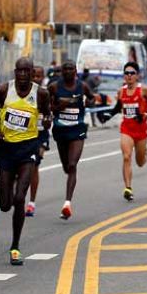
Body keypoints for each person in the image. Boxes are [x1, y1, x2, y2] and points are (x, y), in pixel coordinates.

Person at [0, 57, 51, 265]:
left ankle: (15, 247)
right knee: (5, 205)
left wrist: (48, 121)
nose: (23, 75)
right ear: (15, 72)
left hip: (28, 149)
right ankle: (9, 188)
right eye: (19, 71)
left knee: (19, 199)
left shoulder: (40, 93)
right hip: (6, 148)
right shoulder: (3, 90)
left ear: (33, 73)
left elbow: (48, 115)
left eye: (27, 71)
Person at [97, 62, 147, 201]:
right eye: (127, 73)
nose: (129, 76)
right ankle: (128, 188)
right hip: (127, 129)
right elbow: (118, 108)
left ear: (137, 75)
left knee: (140, 162)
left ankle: (144, 153)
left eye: (132, 73)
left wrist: (145, 115)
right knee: (126, 156)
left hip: (141, 129)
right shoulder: (121, 91)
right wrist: (108, 116)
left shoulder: (144, 90)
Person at [47, 60, 94, 220]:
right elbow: (45, 106)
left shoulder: (83, 86)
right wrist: (57, 108)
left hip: (78, 129)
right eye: (65, 69)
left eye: (71, 69)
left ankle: (67, 203)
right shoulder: (54, 87)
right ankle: (69, 177)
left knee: (73, 165)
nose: (68, 71)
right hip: (60, 130)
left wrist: (89, 102)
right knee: (67, 167)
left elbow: (92, 98)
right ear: (61, 71)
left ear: (75, 71)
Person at [26, 66, 50, 217]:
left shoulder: (46, 93)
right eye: (34, 75)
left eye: (39, 76)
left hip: (41, 135)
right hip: (25, 134)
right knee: (22, 167)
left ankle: (31, 203)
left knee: (34, 165)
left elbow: (50, 113)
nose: (36, 78)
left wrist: (48, 119)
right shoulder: (24, 93)